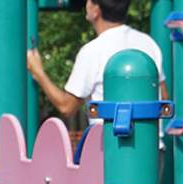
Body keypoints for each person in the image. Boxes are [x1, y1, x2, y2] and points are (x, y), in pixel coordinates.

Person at [25, 0, 164, 119]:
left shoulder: (93, 51)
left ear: (95, 9)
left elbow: (66, 107)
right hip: (154, 147)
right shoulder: (148, 43)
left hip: (110, 146)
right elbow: (163, 97)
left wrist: (38, 72)